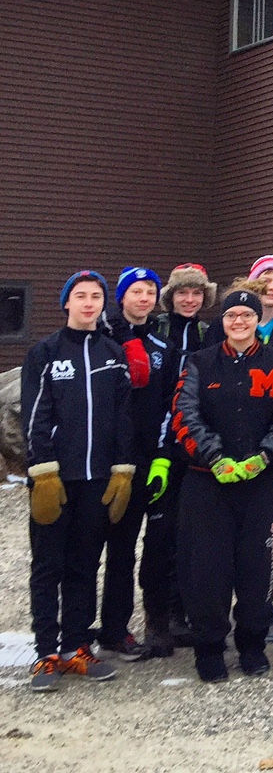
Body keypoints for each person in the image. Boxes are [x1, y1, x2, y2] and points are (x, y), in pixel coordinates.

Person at [170, 288, 273, 682]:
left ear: (257, 320)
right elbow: (184, 413)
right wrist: (215, 457)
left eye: (247, 315)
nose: (240, 322)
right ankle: (209, 647)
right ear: (222, 322)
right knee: (207, 568)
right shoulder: (199, 362)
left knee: (258, 567)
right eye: (232, 316)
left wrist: (264, 455)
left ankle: (252, 643)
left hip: (264, 481)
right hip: (208, 483)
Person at [23, 270, 134, 692]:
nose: (89, 303)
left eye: (96, 297)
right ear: (66, 303)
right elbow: (35, 411)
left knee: (85, 564)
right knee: (47, 565)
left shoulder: (112, 352)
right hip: (56, 478)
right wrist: (43, 468)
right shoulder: (45, 351)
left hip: (97, 479)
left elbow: (123, 418)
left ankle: (75, 647)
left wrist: (123, 468)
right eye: (80, 296)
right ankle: (45, 654)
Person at [140, 263, 217, 658]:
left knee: (192, 535)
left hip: (198, 445)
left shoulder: (208, 332)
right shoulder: (157, 331)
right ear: (171, 296)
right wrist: (158, 450)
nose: (190, 299)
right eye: (183, 293)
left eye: (197, 293)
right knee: (159, 534)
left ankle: (180, 612)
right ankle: (155, 618)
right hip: (162, 443)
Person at [94, 267, 168, 662]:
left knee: (124, 550)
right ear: (121, 298)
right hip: (99, 461)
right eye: (136, 291)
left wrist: (158, 455)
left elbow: (164, 407)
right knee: (86, 550)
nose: (143, 297)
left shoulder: (160, 345)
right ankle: (74, 629)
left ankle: (116, 629)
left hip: (140, 462)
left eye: (150, 291)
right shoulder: (102, 341)